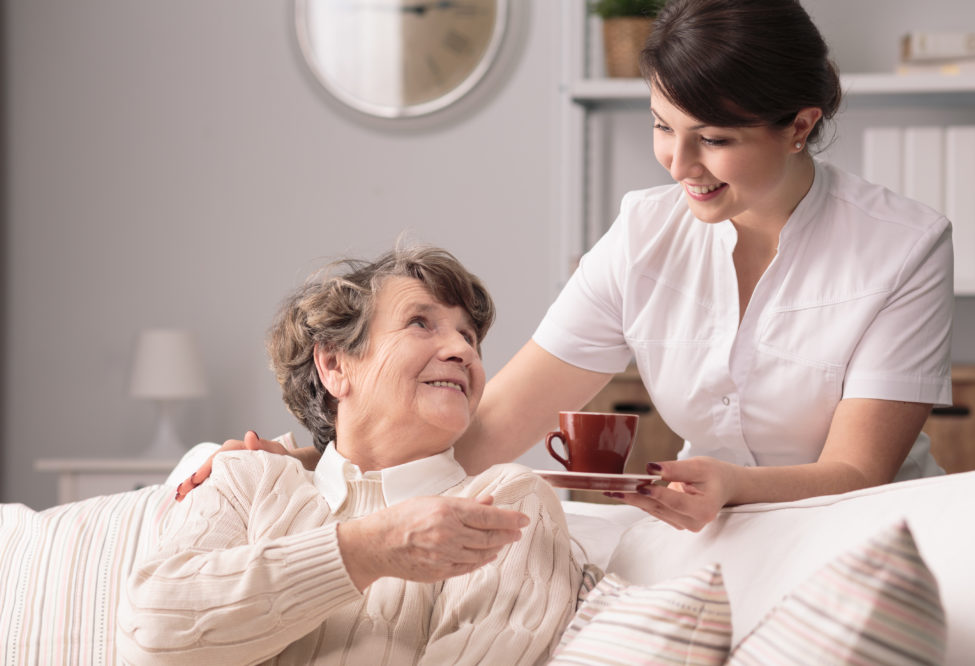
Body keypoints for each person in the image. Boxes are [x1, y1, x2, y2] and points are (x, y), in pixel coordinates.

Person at [179, 0, 953, 534]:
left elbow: (857, 470)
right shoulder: (643, 234)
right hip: (704, 532)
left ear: (799, 127)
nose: (678, 164)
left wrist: (738, 485)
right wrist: (313, 460)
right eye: (661, 126)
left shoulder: (902, 246)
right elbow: (488, 430)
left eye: (713, 138)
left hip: (860, 531)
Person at [117, 247, 581, 665]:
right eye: (421, 322)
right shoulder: (247, 479)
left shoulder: (504, 504)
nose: (463, 350)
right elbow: (151, 635)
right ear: (335, 365)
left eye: (470, 338)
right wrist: (368, 549)